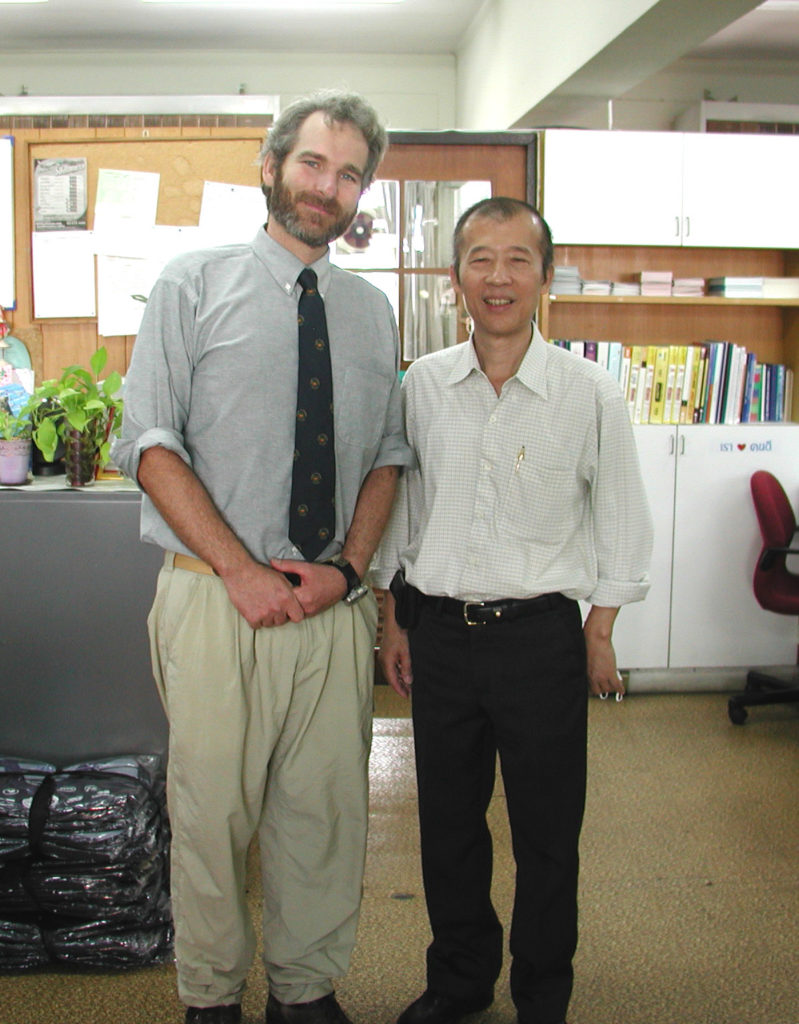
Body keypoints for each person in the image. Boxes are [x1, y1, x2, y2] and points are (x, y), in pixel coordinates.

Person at [113, 90, 412, 1024]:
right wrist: (241, 571)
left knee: (323, 817)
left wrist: (349, 571)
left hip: (329, 609)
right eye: (314, 163)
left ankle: (305, 989)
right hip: (214, 601)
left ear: (364, 190)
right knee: (210, 819)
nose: (328, 186)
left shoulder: (370, 311)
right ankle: (210, 998)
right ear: (274, 166)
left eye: (350, 172)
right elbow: (149, 444)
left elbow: (385, 459)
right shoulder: (190, 284)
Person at [373, 197, 653, 1024]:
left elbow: (622, 518)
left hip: (540, 641)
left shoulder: (588, 392)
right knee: (448, 830)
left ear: (544, 275)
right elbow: (397, 512)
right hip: (443, 640)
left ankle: (542, 993)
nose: (497, 278)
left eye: (516, 260)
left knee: (545, 835)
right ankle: (459, 981)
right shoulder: (420, 385)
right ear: (454, 275)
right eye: (479, 259)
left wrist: (599, 631)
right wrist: (394, 619)